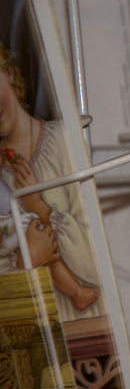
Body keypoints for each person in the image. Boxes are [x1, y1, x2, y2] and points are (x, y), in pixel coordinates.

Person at [0, 42, 100, 315]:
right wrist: (26, 260)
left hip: (89, 322)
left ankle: (76, 294)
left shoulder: (64, 141)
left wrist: (38, 206)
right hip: (33, 324)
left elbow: (95, 264)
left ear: (9, 73)